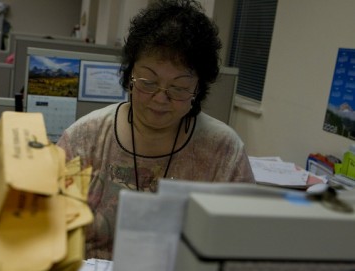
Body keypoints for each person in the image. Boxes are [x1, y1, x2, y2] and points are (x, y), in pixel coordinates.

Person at [56, 0, 255, 260]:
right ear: (129, 77)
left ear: (198, 89)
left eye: (179, 87)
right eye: (148, 82)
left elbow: (243, 245)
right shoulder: (84, 139)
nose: (161, 99)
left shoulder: (223, 151)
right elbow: (49, 229)